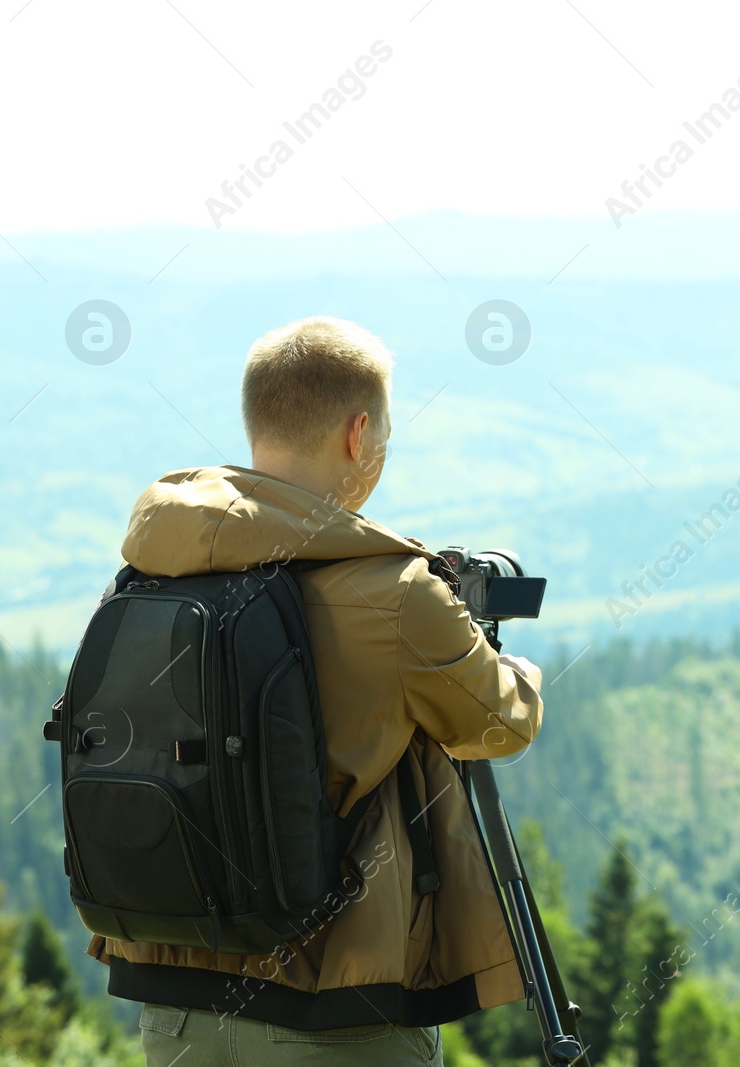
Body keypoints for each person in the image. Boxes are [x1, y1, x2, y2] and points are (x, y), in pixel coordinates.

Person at [85, 316, 545, 1066]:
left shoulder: (152, 568)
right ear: (359, 434)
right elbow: (498, 726)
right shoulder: (397, 592)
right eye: (386, 435)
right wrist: (511, 664)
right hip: (337, 1014)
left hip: (172, 1003)